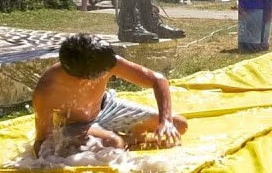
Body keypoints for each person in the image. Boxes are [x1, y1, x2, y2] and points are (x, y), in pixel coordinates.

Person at [32, 33, 188, 158]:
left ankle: (122, 138)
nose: (110, 70)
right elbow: (43, 142)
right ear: (85, 76)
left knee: (178, 125)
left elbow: (157, 80)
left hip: (106, 107)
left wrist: (165, 120)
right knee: (114, 144)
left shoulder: (104, 61)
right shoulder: (47, 90)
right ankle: (126, 139)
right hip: (74, 126)